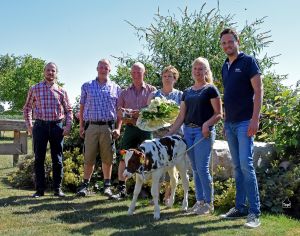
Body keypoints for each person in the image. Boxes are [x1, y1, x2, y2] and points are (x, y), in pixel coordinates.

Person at [219, 28, 263, 228]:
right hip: (230, 124)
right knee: (237, 167)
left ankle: (254, 213)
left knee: (246, 165)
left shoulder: (248, 62)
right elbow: (229, 95)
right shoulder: (224, 67)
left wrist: (255, 119)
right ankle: (240, 207)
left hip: (246, 121)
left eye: (230, 42)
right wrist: (225, 120)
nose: (227, 45)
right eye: (224, 43)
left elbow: (258, 90)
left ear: (237, 41)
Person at [167, 57, 222, 215]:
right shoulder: (187, 92)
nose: (197, 71)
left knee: (203, 168)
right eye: (195, 69)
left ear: (206, 71)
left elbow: (219, 114)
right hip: (188, 132)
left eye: (201, 69)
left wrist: (207, 124)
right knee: (196, 169)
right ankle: (199, 201)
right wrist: (169, 133)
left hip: (203, 132)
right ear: (192, 71)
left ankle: (209, 204)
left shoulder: (211, 89)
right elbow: (181, 116)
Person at [23, 62, 73, 198]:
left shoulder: (62, 91)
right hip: (40, 127)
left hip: (57, 127)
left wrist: (67, 126)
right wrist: (29, 126)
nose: (50, 73)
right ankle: (39, 190)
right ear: (44, 71)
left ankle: (58, 189)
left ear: (56, 73)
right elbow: (27, 108)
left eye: (53, 71)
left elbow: (69, 110)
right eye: (48, 70)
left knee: (57, 159)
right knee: (39, 158)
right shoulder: (35, 88)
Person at [76, 59, 121, 198]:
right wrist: (81, 126)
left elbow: (120, 111)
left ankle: (107, 187)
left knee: (107, 158)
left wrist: (118, 128)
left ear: (110, 70)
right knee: (89, 157)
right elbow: (82, 107)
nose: (103, 69)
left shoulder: (116, 88)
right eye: (101, 67)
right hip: (91, 127)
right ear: (97, 69)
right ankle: (85, 186)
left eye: (106, 67)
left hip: (108, 127)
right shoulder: (87, 86)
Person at [111, 62, 156, 200]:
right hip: (130, 128)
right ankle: (121, 188)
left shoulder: (152, 90)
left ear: (144, 73)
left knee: (145, 158)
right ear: (131, 74)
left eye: (139, 72)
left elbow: (154, 111)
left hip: (146, 129)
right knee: (124, 156)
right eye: (134, 72)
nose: (136, 75)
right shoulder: (124, 92)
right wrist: (127, 114)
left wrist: (140, 113)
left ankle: (142, 189)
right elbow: (119, 111)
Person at [147, 65, 183, 205]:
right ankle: (154, 196)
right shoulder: (154, 95)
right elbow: (148, 117)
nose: (167, 78)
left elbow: (182, 115)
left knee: (171, 166)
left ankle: (168, 196)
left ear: (175, 79)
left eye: (170, 76)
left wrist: (171, 129)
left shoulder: (180, 95)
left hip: (175, 135)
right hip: (158, 134)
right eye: (165, 76)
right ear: (161, 77)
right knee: (157, 165)